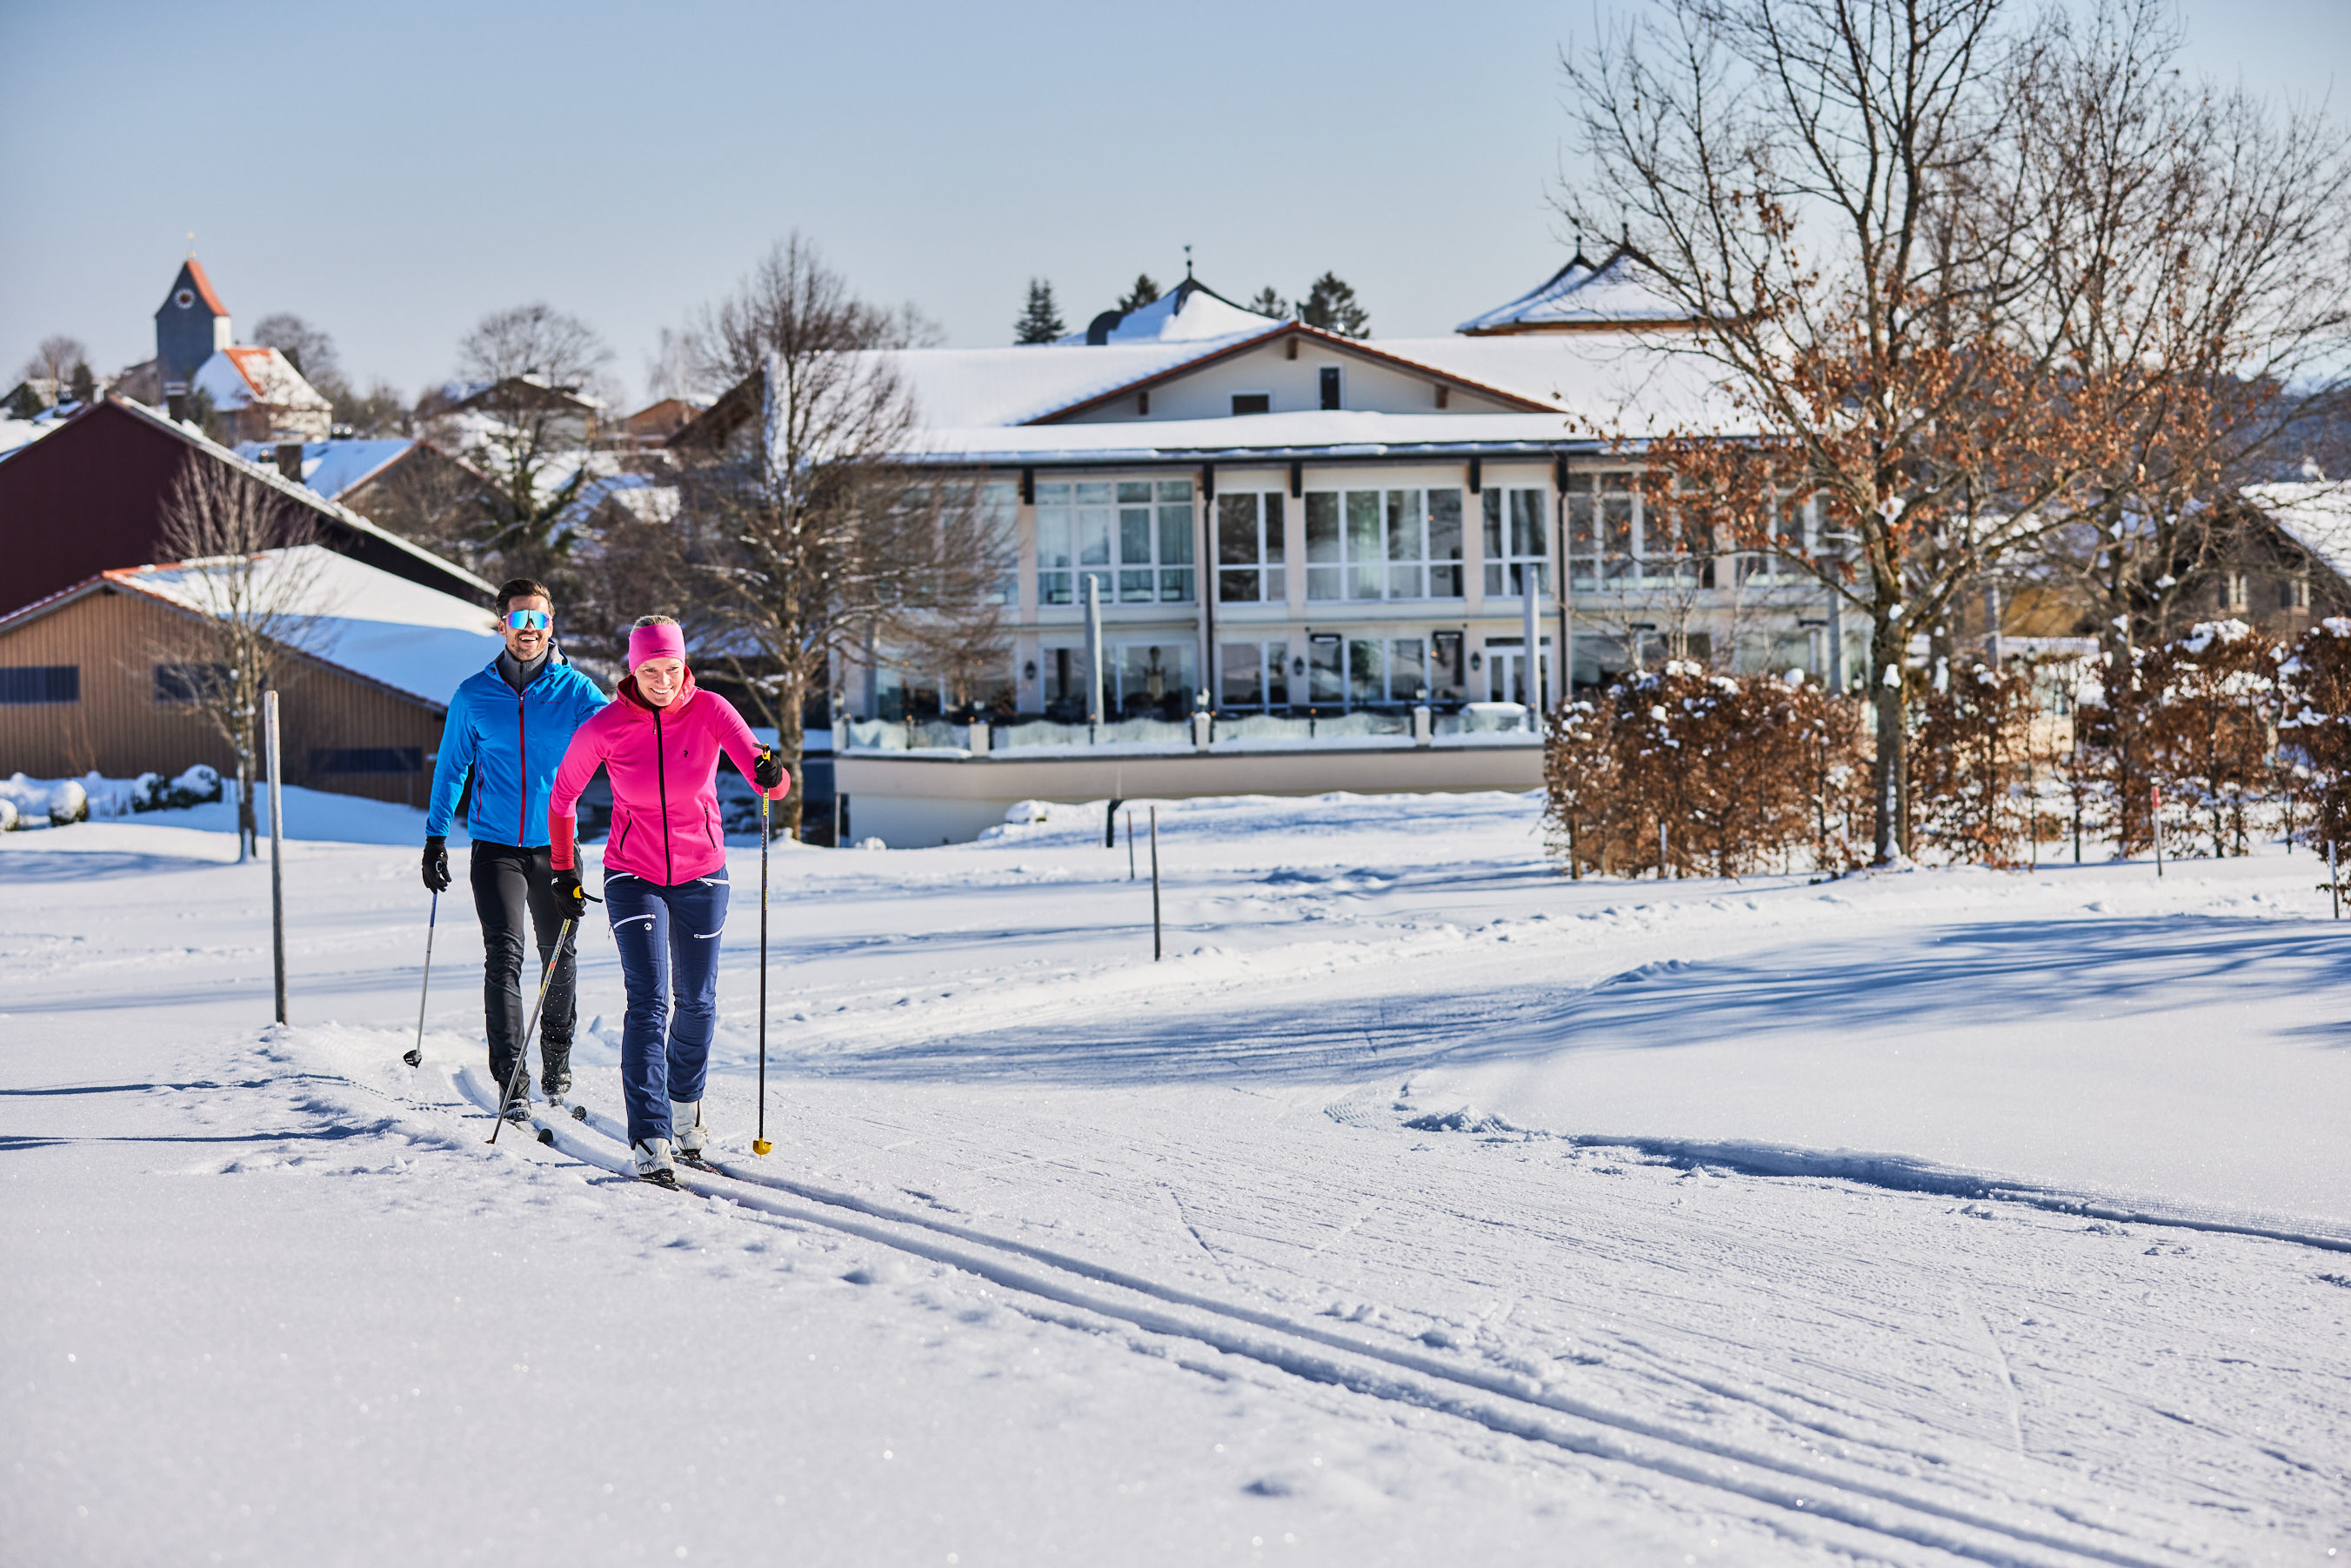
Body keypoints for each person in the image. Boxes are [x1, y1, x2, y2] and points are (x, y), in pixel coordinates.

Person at [546, 615, 788, 1185]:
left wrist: (770, 773)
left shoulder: (710, 710)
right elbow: (562, 799)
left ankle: (685, 1109)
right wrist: (563, 870)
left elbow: (767, 780)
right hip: (633, 873)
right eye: (650, 669)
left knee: (698, 1001)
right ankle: (650, 1135)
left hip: (703, 871)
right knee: (649, 1001)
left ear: (684, 666)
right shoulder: (605, 726)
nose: (662, 680)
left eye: (671, 668)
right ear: (633, 669)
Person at [422, 578, 610, 1121]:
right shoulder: (473, 694)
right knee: (504, 957)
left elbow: (622, 742)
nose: (528, 630)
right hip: (496, 847)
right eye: (518, 619)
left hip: (558, 848)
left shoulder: (576, 692)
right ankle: (512, 1077)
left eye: (539, 620)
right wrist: (436, 837)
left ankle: (556, 1056)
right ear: (500, 623)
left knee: (560, 956)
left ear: (552, 625)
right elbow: (452, 766)